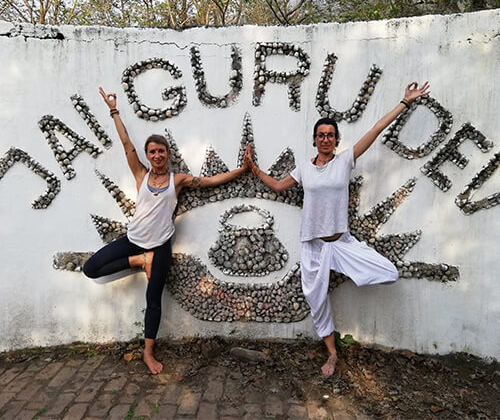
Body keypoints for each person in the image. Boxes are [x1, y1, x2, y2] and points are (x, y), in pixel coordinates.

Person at [245, 82, 430, 376]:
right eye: (321, 135)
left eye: (331, 135)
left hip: (341, 243)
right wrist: (253, 169)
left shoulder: (345, 161)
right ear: (314, 140)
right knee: (316, 300)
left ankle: (353, 274)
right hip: (314, 246)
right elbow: (280, 186)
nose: (326, 139)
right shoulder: (304, 169)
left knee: (388, 272)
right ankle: (331, 354)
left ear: (337, 139)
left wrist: (404, 102)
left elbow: (375, 131)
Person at [83, 87, 249, 375]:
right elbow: (126, 145)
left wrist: (240, 171)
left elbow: (210, 182)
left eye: (161, 151)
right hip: (134, 241)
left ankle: (148, 352)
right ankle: (138, 261)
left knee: (153, 300)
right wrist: (114, 110)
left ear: (167, 154)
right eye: (152, 151)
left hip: (160, 245)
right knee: (91, 268)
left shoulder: (178, 179)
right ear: (147, 156)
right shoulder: (141, 174)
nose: (157, 155)